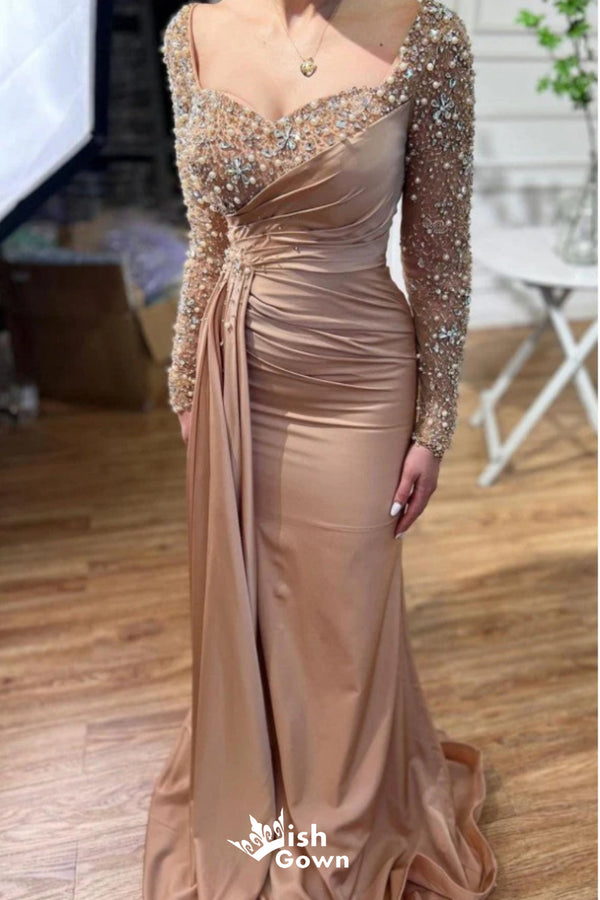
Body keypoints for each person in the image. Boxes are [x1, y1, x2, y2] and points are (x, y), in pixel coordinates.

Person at [143, 0, 499, 897]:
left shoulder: (428, 37)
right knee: (255, 609)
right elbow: (208, 236)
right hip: (235, 375)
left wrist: (434, 422)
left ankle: (337, 830)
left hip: (356, 384)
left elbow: (439, 253)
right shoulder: (192, 32)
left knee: (344, 617)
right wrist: (186, 381)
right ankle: (262, 795)